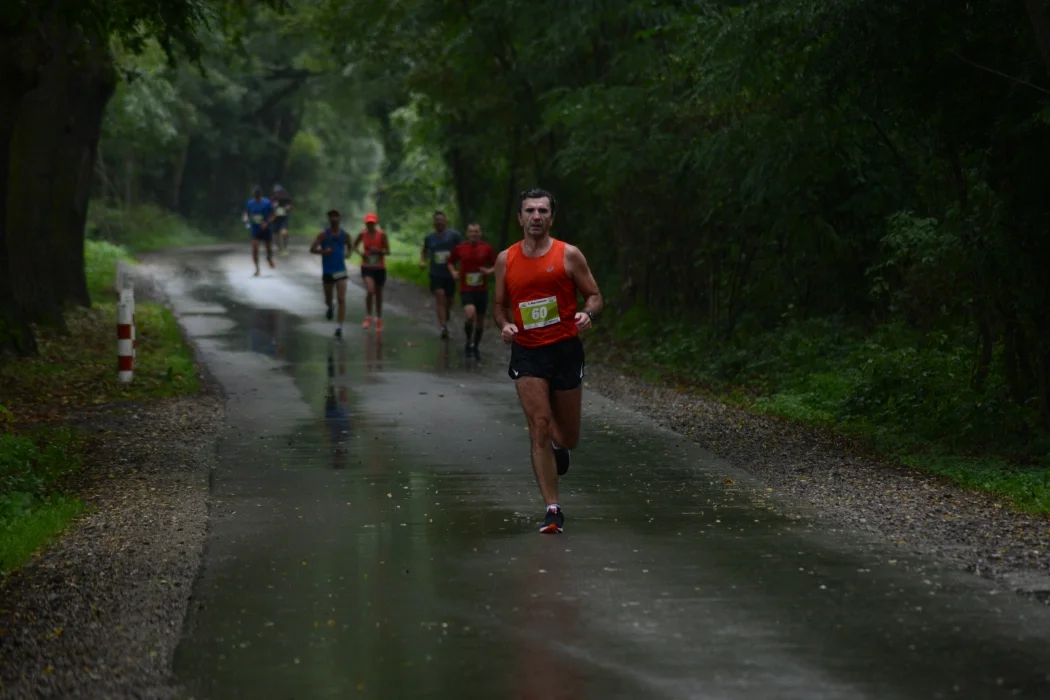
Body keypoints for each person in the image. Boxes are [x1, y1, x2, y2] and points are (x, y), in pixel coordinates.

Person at [493, 188, 602, 534]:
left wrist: (587, 315)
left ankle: (560, 446)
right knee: (538, 424)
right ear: (520, 218)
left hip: (565, 349)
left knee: (567, 436)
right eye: (530, 210)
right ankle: (552, 509)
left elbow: (595, 296)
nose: (536, 216)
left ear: (551, 218)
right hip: (527, 351)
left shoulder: (568, 255)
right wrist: (505, 324)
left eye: (542, 211)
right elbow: (498, 306)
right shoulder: (505, 259)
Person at [448, 223, 496, 360]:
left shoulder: (486, 248)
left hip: (482, 289)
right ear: (467, 234)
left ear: (480, 234)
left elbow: (496, 264)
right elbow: (450, 262)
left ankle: (475, 346)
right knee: (470, 315)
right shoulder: (460, 248)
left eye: (476, 232)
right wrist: (453, 272)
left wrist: (488, 271)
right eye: (471, 232)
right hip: (466, 288)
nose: (474, 234)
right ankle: (468, 341)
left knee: (480, 320)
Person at [419, 211, 462, 338]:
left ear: (446, 221)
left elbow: (462, 251)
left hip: (450, 273)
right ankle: (443, 327)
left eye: (441, 220)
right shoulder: (429, 237)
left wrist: (461, 266)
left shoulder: (454, 235)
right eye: (437, 220)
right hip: (435, 273)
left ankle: (446, 315)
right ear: (433, 222)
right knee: (440, 296)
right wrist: (422, 261)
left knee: (449, 300)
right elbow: (424, 251)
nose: (439, 222)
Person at [310, 209, 351, 338]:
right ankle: (330, 306)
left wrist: (348, 254)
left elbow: (350, 247)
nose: (334, 218)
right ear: (329, 219)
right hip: (328, 271)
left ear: (340, 218)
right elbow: (312, 249)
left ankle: (339, 327)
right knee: (328, 299)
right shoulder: (323, 235)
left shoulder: (345, 235)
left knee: (341, 298)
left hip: (340, 271)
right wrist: (324, 252)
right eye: (331, 216)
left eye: (336, 216)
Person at [353, 212, 390, 332]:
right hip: (367, 267)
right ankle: (368, 317)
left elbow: (388, 251)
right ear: (366, 223)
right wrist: (361, 254)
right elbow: (354, 246)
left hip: (380, 268)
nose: (370, 225)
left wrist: (379, 251)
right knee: (370, 290)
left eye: (372, 223)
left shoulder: (382, 235)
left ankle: (378, 319)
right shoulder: (362, 234)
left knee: (378, 294)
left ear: (376, 223)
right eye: (368, 223)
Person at [244, 186, 276, 276]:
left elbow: (273, 215)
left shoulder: (267, 202)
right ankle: (257, 269)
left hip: (266, 229)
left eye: (257, 194)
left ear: (260, 194)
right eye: (255, 195)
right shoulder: (250, 203)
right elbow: (247, 213)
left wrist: (267, 223)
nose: (256, 196)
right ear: (253, 195)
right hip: (255, 229)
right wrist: (246, 219)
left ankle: (269, 259)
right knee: (254, 248)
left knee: (268, 249)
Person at [271, 184, 294, 254]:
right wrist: (273, 206)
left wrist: (288, 207)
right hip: (275, 219)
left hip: (284, 218)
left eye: (279, 191)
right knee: (275, 235)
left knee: (284, 233)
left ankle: (285, 246)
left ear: (281, 191)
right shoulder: (272, 198)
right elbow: (268, 208)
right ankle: (279, 248)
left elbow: (291, 207)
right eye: (276, 191)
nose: (277, 193)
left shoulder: (285, 198)